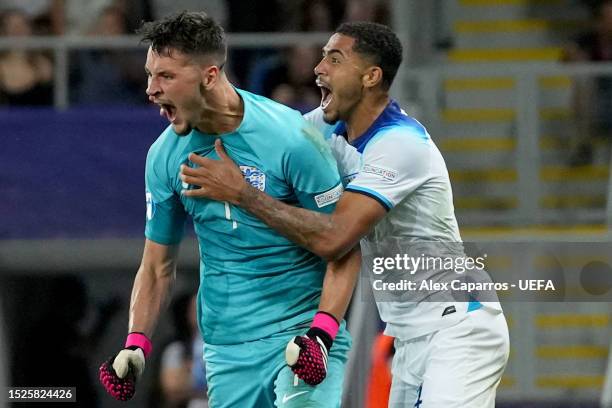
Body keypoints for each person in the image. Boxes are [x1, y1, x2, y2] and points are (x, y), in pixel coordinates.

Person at [180, 21, 510, 407]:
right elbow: (264, 133)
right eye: (321, 57)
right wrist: (199, 97)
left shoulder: (401, 144)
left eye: (334, 59)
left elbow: (335, 237)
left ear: (371, 76)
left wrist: (243, 194)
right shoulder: (325, 126)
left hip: (460, 327)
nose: (319, 68)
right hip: (410, 336)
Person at [97, 11, 359, 408]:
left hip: (300, 335)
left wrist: (321, 334)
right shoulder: (164, 158)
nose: (151, 89)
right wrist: (136, 342)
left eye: (166, 76)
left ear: (210, 76)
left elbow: (342, 243)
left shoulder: (292, 138)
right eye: (151, 75)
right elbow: (156, 267)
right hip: (226, 349)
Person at [562, 0, 612, 165]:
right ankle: (584, 145)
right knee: (582, 79)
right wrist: (574, 55)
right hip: (596, 101)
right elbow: (566, 56)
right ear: (598, 21)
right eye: (608, 16)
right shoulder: (588, 39)